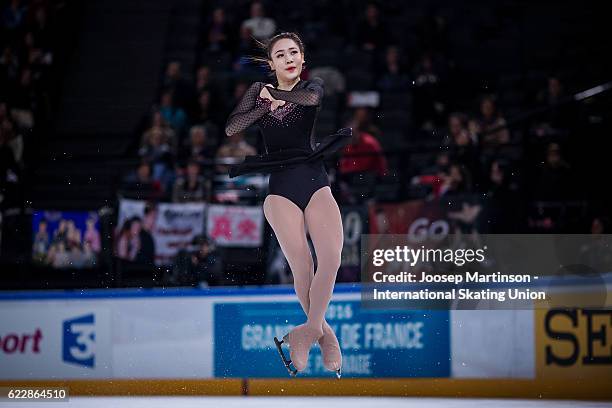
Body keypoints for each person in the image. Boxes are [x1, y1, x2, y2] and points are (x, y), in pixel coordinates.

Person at [224, 32, 352, 377]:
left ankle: (308, 331)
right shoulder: (256, 92)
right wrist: (265, 103)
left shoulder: (314, 85)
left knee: (332, 258)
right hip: (281, 188)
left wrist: (277, 95)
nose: (289, 58)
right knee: (303, 265)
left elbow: (309, 102)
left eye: (294, 52)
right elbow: (231, 127)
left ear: (302, 59)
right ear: (271, 64)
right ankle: (324, 336)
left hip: (313, 178)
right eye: (281, 55)